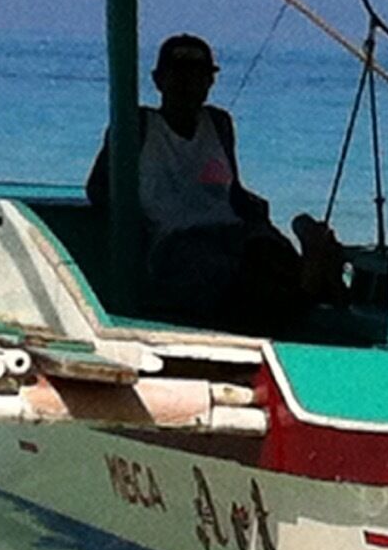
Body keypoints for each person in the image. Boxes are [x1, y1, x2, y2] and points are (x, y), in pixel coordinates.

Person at [87, 33, 343, 330]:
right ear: (159, 80)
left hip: (231, 230)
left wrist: (255, 213)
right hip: (177, 239)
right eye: (179, 74)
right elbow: (98, 188)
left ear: (210, 82)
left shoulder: (218, 123)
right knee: (239, 282)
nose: (188, 83)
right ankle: (311, 278)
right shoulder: (139, 124)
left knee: (269, 256)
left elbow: (230, 189)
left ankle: (313, 273)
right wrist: (138, 224)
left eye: (198, 75)